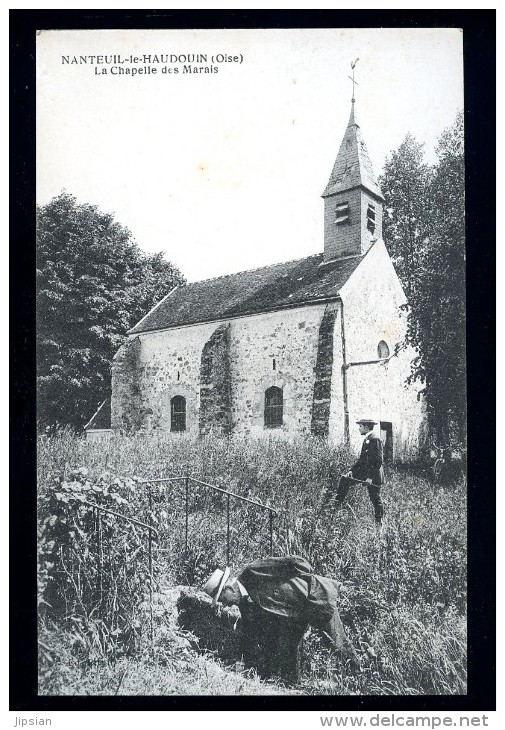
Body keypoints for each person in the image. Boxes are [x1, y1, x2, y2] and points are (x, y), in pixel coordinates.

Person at [202, 555, 358, 684]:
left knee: (337, 643)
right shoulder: (244, 603)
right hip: (294, 617)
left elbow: (295, 561)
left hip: (316, 599)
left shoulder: (253, 571)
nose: (226, 605)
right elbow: (250, 634)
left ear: (228, 588)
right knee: (287, 648)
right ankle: (292, 686)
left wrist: (307, 580)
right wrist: (245, 663)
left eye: (222, 599)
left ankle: (359, 677)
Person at [331, 419, 385, 526]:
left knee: (375, 497)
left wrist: (370, 478)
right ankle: (334, 510)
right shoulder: (368, 439)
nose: (359, 429)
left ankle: (379, 522)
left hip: (374, 474)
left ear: (366, 427)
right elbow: (361, 461)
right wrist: (351, 471)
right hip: (365, 472)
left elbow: (378, 461)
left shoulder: (375, 439)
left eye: (360, 426)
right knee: (345, 480)